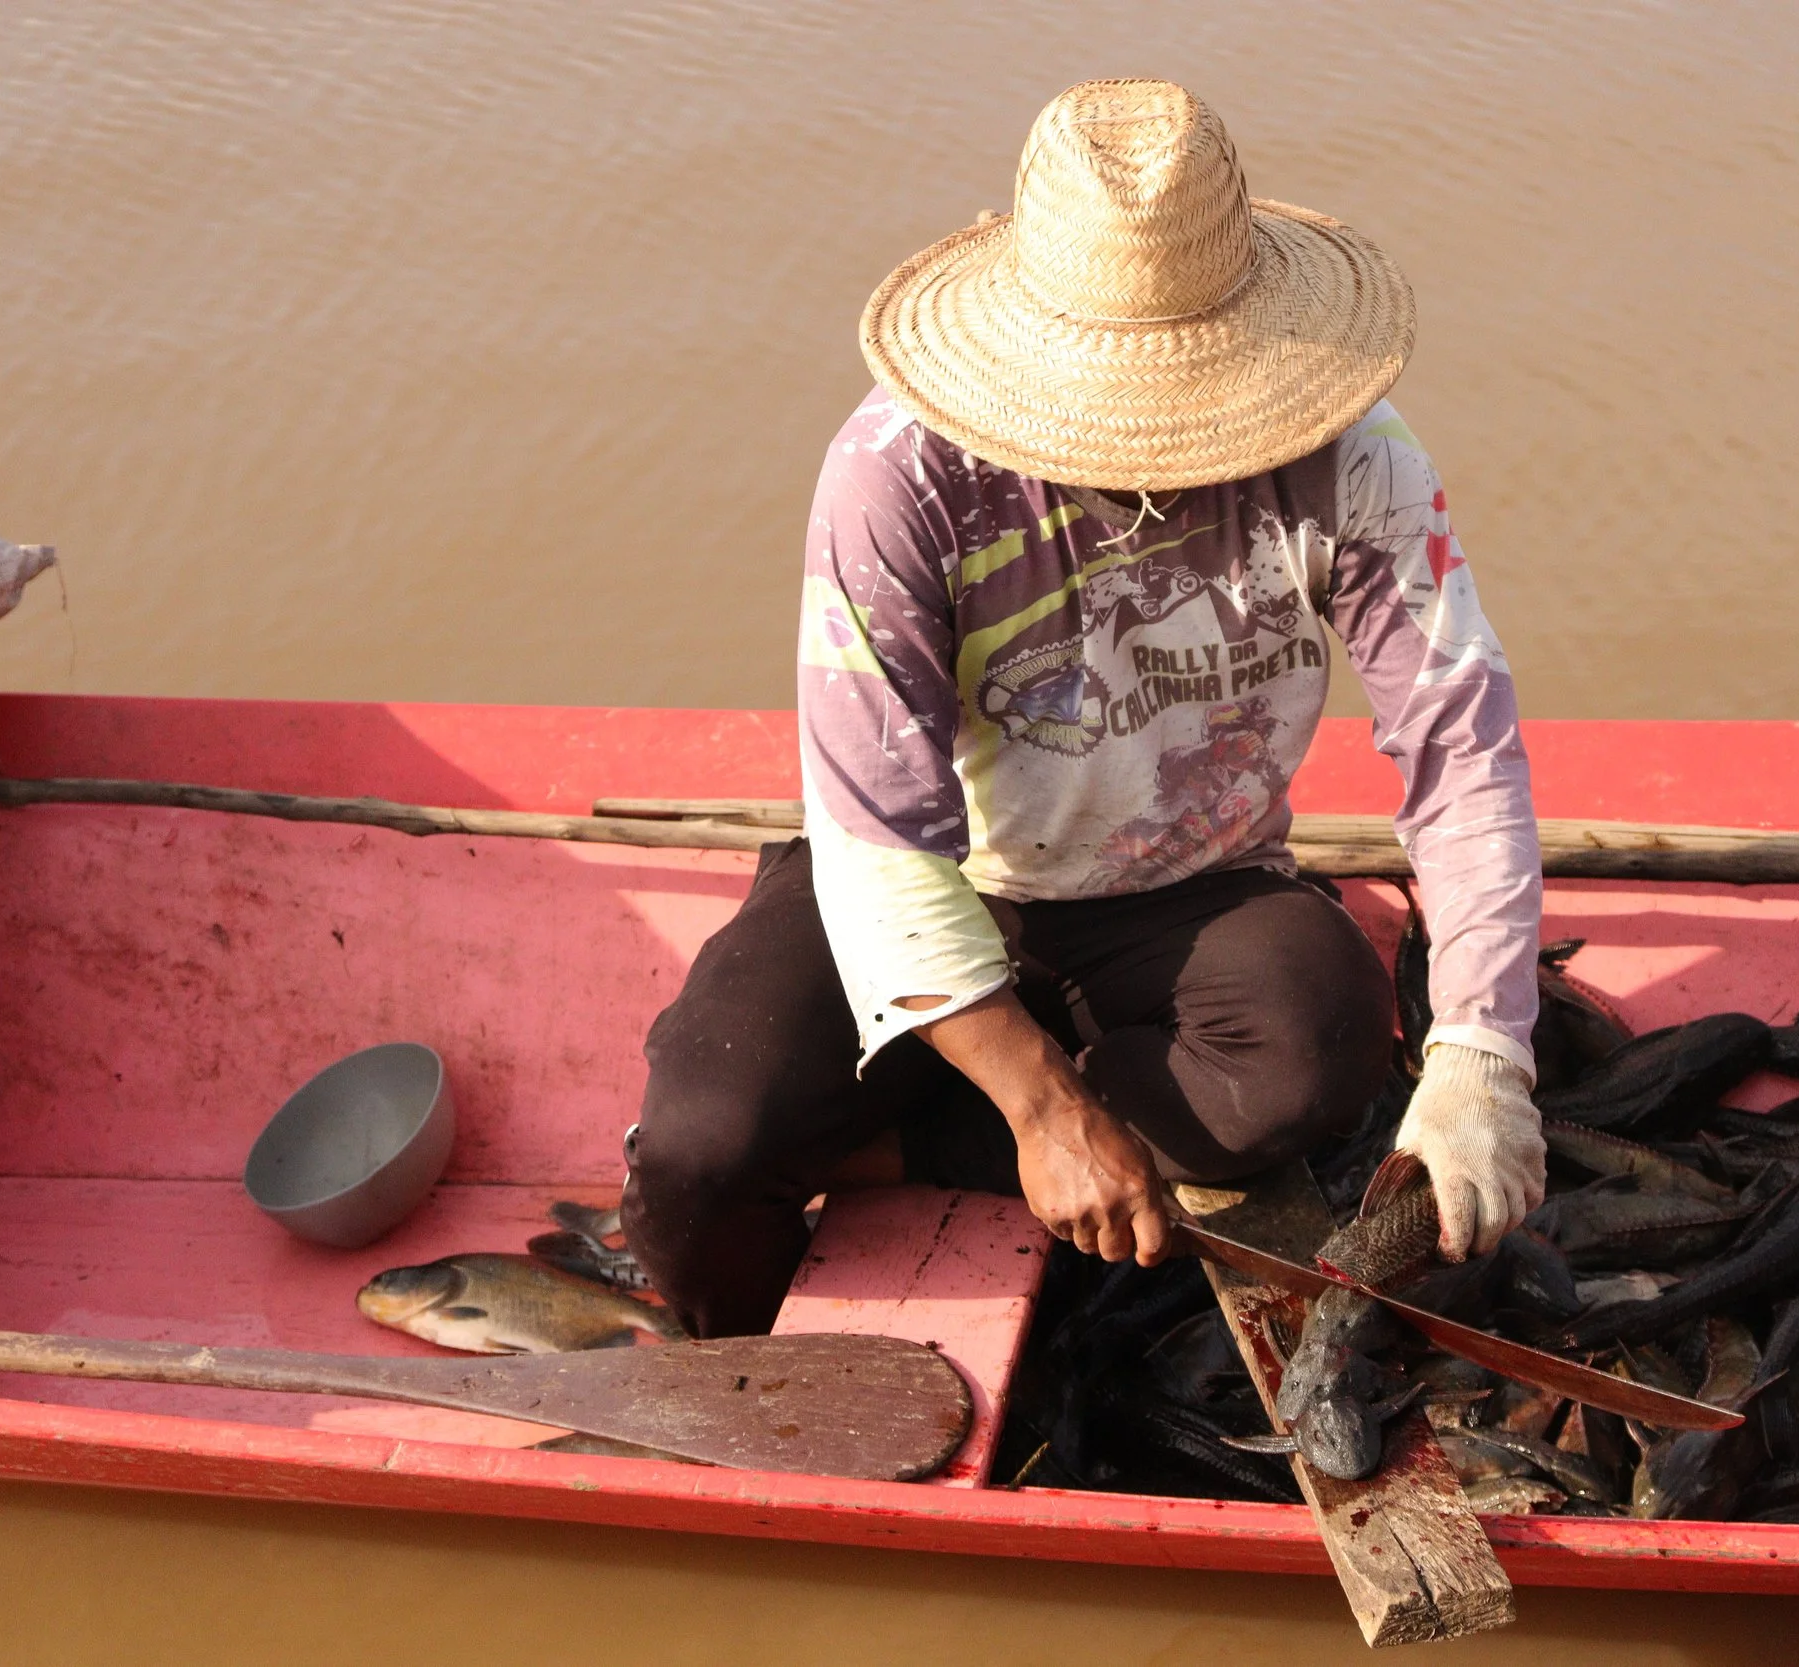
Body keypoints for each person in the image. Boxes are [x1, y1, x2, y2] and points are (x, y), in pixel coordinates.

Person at [620, 78, 1547, 1338]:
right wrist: (1045, 1112)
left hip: (1189, 879)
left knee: (1321, 1058)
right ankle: (789, 1292)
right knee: (700, 1145)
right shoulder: (898, 475)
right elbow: (880, 835)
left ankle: (913, 1127)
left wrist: (1484, 1050)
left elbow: (1461, 749)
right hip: (958, 870)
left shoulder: (1355, 454)